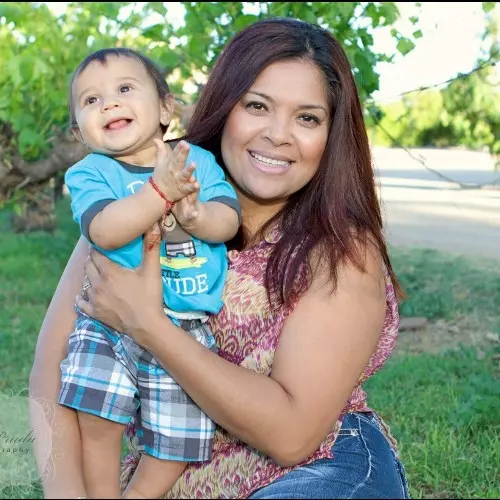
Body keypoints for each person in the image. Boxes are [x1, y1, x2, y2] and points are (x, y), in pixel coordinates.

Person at [30, 17, 411, 499]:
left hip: (317, 474)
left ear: (331, 135)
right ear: (225, 106)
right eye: (257, 106)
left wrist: (148, 324)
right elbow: (52, 372)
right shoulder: (134, 204)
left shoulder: (340, 250)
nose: (278, 135)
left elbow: (292, 436)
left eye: (307, 118)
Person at [57, 47, 240, 499]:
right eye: (91, 100)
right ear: (80, 132)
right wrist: (160, 192)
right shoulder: (90, 173)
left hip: (185, 325)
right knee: (97, 416)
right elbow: (105, 229)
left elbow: (229, 220)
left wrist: (195, 215)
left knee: (178, 438)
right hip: (109, 323)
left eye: (123, 89)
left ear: (164, 108)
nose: (110, 104)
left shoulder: (193, 158)